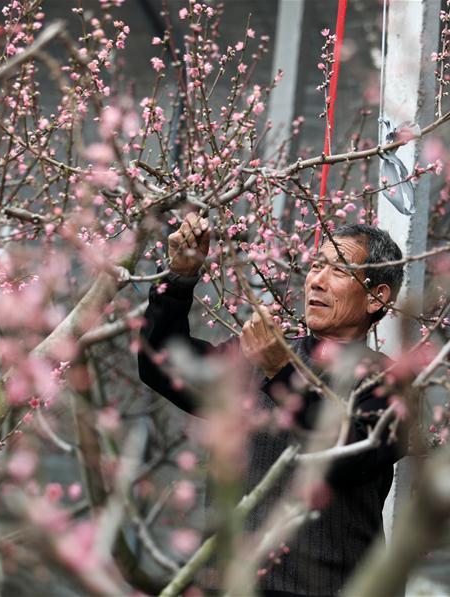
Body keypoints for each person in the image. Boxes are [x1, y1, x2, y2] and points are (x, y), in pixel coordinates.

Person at [137, 214, 406, 596]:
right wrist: (178, 281)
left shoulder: (390, 383)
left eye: (338, 271)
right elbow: (161, 366)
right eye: (316, 266)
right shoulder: (259, 357)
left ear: (377, 297)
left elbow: (346, 457)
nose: (317, 280)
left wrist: (282, 372)